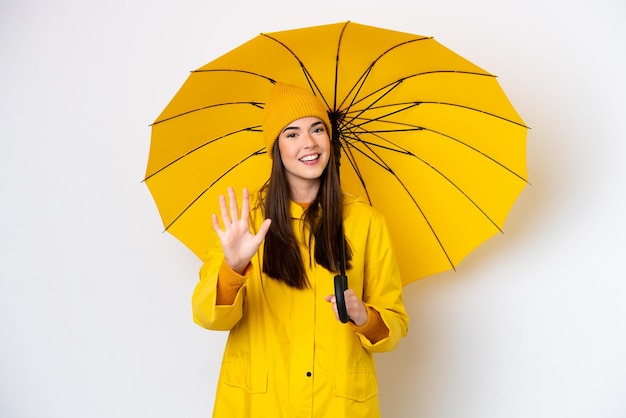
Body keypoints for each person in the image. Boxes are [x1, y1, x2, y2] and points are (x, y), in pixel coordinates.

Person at [192, 82, 408, 418]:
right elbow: (208, 316)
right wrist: (233, 269)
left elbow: (394, 326)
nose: (308, 143)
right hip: (259, 404)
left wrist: (364, 316)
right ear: (275, 147)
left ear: (329, 140)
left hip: (337, 405)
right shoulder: (244, 222)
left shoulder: (366, 222)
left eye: (317, 129)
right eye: (291, 133)